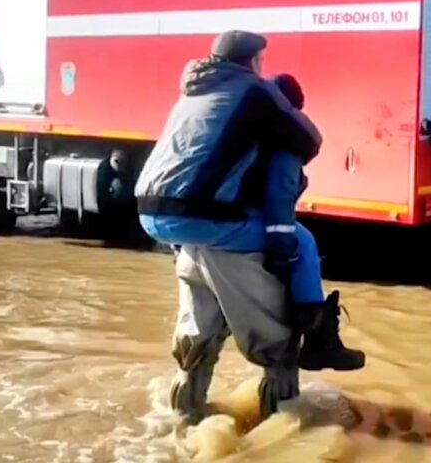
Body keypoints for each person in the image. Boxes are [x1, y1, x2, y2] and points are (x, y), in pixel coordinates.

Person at [134, 30, 361, 421]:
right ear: (252, 62)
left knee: (196, 343)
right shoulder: (256, 98)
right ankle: (307, 368)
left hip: (163, 219)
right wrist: (280, 242)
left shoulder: (193, 93)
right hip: (208, 221)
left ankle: (180, 420)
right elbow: (289, 174)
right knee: (300, 257)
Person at [256, 72, 365, 372]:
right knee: (304, 244)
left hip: (190, 222)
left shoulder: (241, 124)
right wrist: (283, 250)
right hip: (243, 218)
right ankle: (322, 342)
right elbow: (278, 198)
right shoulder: (284, 140)